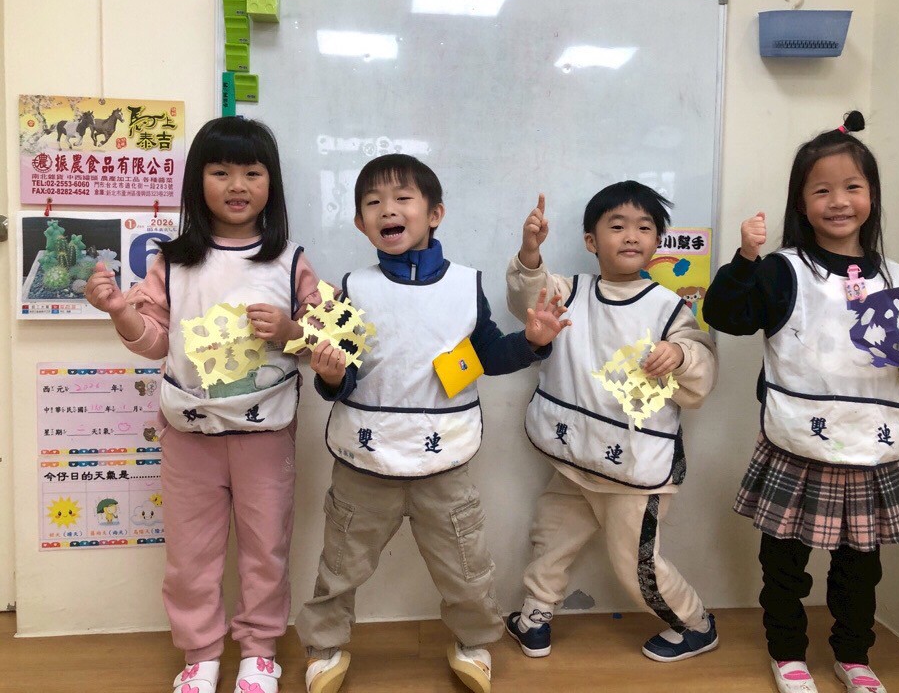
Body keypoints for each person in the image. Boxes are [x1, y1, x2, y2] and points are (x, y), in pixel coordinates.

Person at [296, 154, 569, 693]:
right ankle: (324, 646)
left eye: (403, 199)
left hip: (444, 461)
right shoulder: (352, 288)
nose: (387, 210)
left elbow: (488, 355)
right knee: (340, 565)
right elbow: (345, 377)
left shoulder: (466, 284)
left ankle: (473, 642)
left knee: (466, 567)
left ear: (435, 213)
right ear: (360, 223)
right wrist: (329, 376)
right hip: (364, 461)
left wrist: (532, 342)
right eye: (373, 202)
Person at [702, 112, 899, 693]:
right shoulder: (782, 270)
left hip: (869, 442)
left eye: (852, 187)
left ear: (872, 196)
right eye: (822, 190)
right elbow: (724, 316)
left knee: (861, 570)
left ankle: (854, 657)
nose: (839, 202)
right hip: (798, 443)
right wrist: (744, 259)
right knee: (784, 563)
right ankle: (787, 654)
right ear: (801, 203)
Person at [86, 116, 321, 693]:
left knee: (266, 548)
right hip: (188, 433)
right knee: (191, 552)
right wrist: (120, 312)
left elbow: (324, 342)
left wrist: (290, 329)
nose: (237, 184)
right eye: (220, 172)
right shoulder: (172, 261)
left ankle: (259, 652)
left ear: (272, 183)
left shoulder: (289, 260)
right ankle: (200, 654)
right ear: (198, 181)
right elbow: (155, 342)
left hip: (266, 433)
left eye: (252, 172)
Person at [504, 182, 720, 664]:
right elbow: (529, 301)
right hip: (574, 455)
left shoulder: (668, 307)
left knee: (634, 564)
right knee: (550, 537)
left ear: (658, 241)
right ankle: (534, 615)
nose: (631, 235)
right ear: (591, 240)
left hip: (633, 468)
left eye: (644, 227)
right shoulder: (572, 291)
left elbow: (702, 371)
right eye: (617, 225)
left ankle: (695, 623)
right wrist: (530, 254)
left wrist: (680, 354)